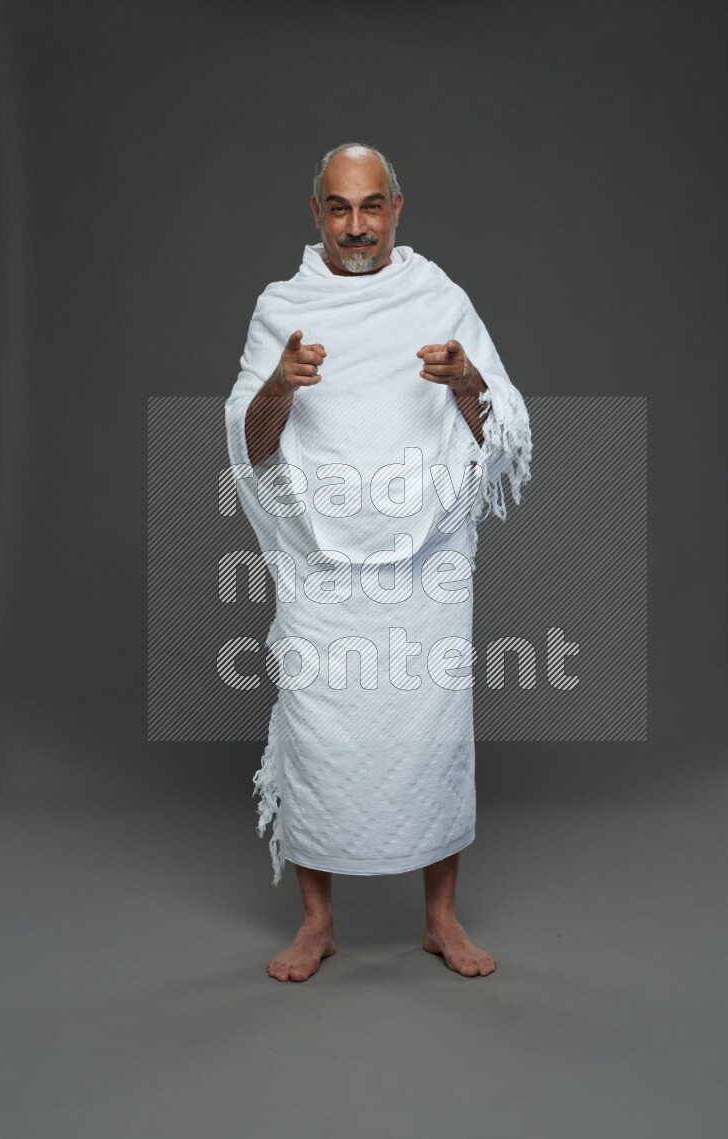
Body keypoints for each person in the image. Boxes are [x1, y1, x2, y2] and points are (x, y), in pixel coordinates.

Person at [225, 142, 532, 981]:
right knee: (319, 733)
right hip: (321, 572)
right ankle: (317, 923)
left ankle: (440, 918)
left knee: (431, 734)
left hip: (422, 565)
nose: (355, 226)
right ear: (315, 213)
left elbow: (497, 429)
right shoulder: (281, 306)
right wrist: (281, 383)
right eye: (337, 207)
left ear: (398, 207)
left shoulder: (440, 299)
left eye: (370, 207)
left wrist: (467, 380)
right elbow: (251, 448)